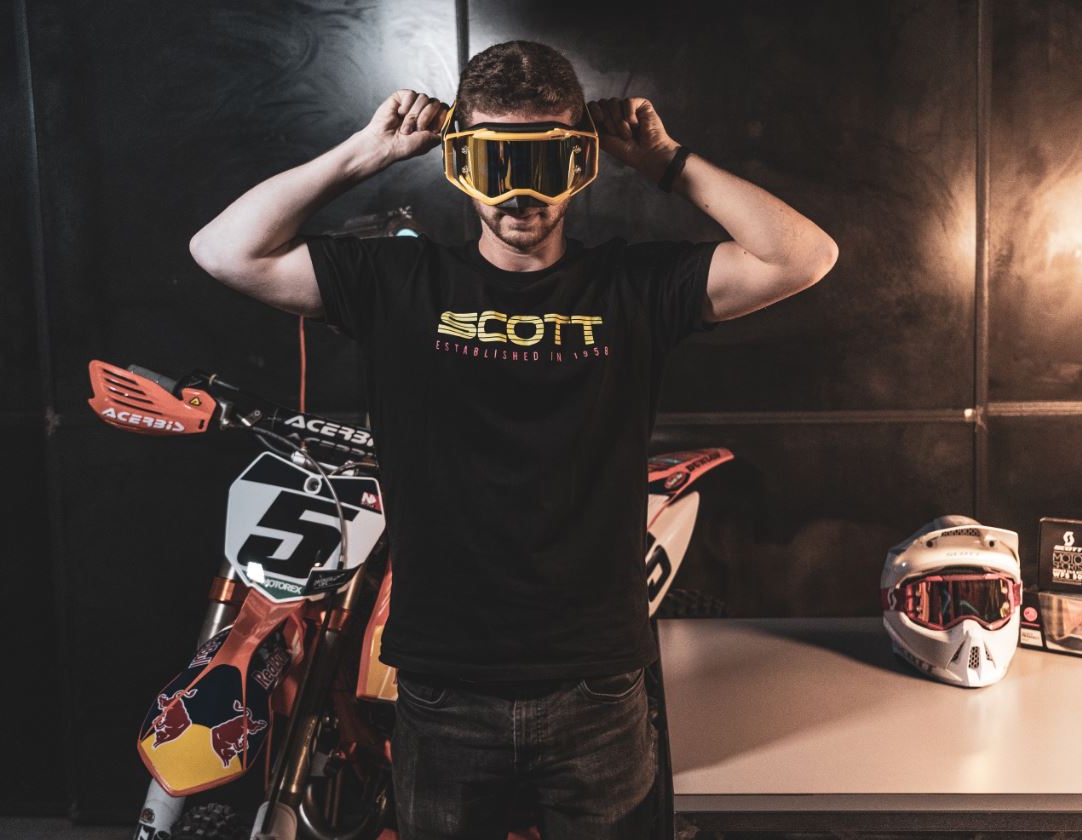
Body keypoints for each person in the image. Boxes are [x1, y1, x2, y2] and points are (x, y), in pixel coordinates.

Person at [189, 39, 837, 840]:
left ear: (582, 163)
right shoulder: (398, 283)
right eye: (495, 164)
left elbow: (805, 257)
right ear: (459, 163)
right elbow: (223, 250)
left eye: (545, 163)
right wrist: (364, 153)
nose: (520, 194)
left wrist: (666, 160)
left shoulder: (632, 286)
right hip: (443, 684)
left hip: (597, 683)